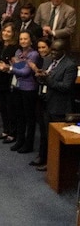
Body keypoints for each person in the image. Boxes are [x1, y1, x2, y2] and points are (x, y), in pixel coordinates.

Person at [0, 30, 40, 154]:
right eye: (21, 39)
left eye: (25, 39)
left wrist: (10, 67)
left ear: (31, 40)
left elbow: (25, 72)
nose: (23, 41)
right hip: (17, 87)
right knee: (19, 116)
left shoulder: (34, 54)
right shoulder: (18, 52)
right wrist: (7, 67)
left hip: (29, 89)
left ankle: (28, 144)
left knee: (29, 118)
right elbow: (17, 69)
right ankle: (20, 140)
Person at [33, 39, 77, 170]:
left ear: (63, 51)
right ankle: (42, 157)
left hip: (59, 106)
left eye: (55, 50)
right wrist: (40, 77)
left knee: (54, 137)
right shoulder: (49, 61)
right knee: (44, 133)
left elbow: (66, 87)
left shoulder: (70, 65)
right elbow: (46, 78)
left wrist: (48, 79)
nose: (52, 52)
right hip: (45, 101)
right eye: (51, 49)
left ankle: (52, 164)